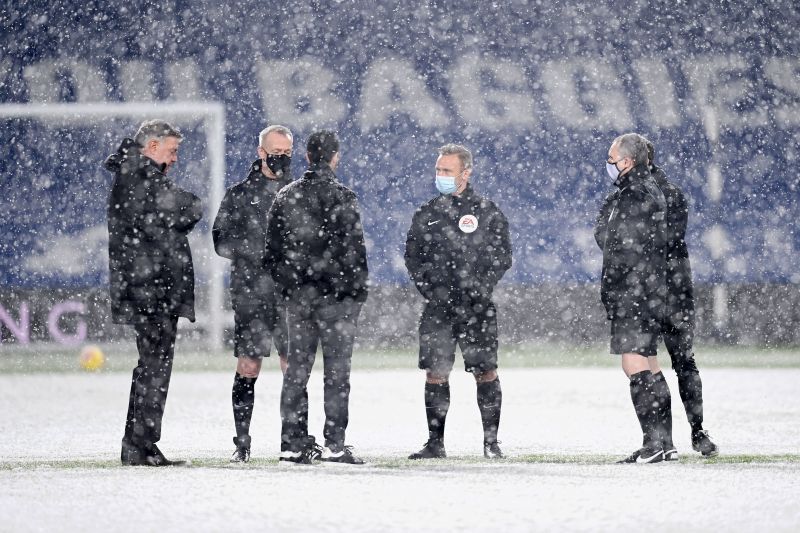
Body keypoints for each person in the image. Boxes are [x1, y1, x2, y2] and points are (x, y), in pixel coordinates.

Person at [266, 130, 369, 465]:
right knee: (337, 374)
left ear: (307, 156)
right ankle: (335, 444)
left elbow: (272, 253)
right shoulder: (344, 197)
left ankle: (292, 443)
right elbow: (354, 253)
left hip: (300, 300)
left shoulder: (286, 196)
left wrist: (291, 289)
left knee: (297, 372)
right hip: (336, 301)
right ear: (335, 157)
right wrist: (354, 294)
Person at [404, 143, 512, 460]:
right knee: (435, 373)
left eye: (447, 171)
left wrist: (479, 288)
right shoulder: (427, 214)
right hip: (438, 308)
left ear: (466, 173)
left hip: (477, 308)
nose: (441, 176)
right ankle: (435, 444)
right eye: (439, 170)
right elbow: (413, 259)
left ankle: (491, 443)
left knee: (486, 372)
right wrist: (432, 290)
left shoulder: (487, 211)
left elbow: (502, 256)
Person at [105, 119, 202, 466]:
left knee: (149, 366)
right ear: (153, 146)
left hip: (148, 287)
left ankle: (137, 444)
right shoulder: (140, 177)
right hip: (152, 290)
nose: (175, 158)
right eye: (172, 150)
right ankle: (142, 445)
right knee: (155, 367)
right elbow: (189, 207)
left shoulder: (134, 176)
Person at [212, 125, 295, 463]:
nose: (281, 157)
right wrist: (259, 251)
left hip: (289, 295)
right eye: (276, 151)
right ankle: (242, 443)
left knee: (294, 365)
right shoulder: (239, 194)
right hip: (251, 294)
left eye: (287, 153)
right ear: (261, 151)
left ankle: (293, 440)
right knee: (249, 365)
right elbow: (220, 241)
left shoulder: (298, 192)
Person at [594, 132, 672, 464]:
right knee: (651, 364)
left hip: (633, 291)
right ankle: (665, 444)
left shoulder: (634, 194)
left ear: (627, 161)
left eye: (612, 159)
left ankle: (652, 444)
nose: (609, 165)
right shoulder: (643, 190)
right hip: (646, 288)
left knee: (634, 363)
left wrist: (623, 279)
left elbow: (615, 240)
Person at [644, 139, 718, 457]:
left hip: (652, 290)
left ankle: (667, 440)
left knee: (652, 365)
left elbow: (660, 239)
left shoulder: (647, 194)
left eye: (616, 159)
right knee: (682, 363)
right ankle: (692, 433)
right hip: (673, 288)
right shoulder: (668, 191)